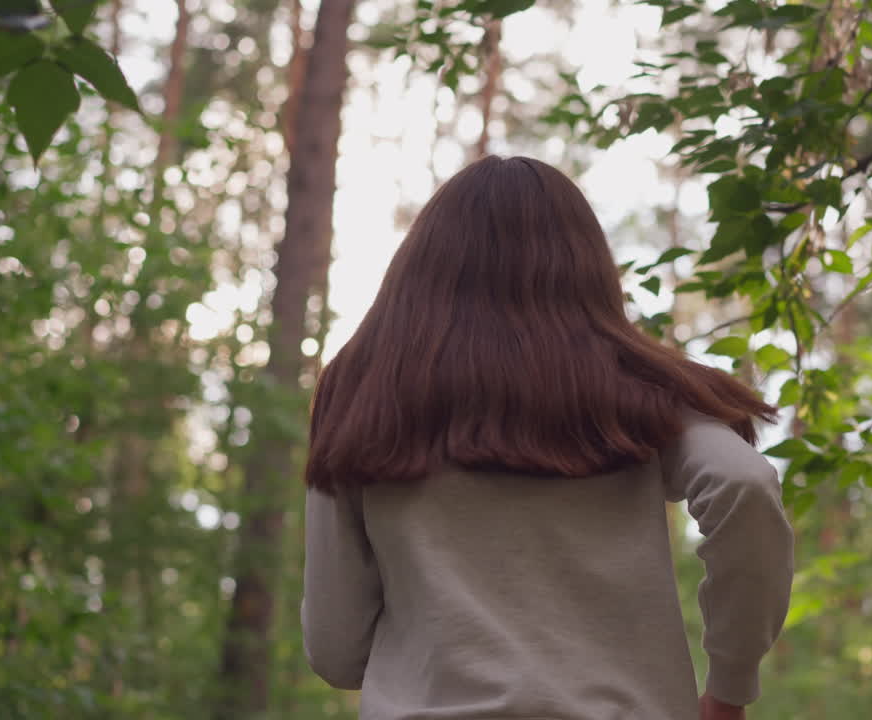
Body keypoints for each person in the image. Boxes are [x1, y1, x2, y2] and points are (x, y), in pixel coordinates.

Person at [301, 155, 794, 720]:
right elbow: (745, 481)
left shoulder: (364, 388)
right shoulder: (640, 387)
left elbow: (337, 651)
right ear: (586, 267)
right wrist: (729, 687)